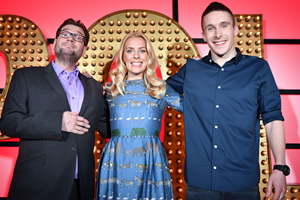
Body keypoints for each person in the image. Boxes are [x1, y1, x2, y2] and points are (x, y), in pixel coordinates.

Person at [166, 2, 288, 200]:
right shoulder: (191, 70)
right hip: (199, 186)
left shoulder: (258, 69)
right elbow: (159, 91)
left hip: (243, 185)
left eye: (224, 26)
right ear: (204, 35)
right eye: (210, 28)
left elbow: (273, 119)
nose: (217, 34)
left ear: (235, 29)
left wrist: (280, 167)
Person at [0, 18, 109, 200]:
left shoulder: (95, 88)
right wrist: (58, 122)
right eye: (65, 34)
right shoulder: (26, 77)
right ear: (55, 42)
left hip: (80, 188)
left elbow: (110, 129)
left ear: (84, 50)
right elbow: (8, 123)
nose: (71, 38)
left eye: (78, 37)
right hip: (37, 185)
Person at [95, 32, 183, 200]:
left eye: (142, 51)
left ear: (149, 56)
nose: (136, 56)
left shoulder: (160, 88)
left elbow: (194, 110)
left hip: (151, 161)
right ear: (123, 56)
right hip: (115, 161)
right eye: (130, 51)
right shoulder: (111, 90)